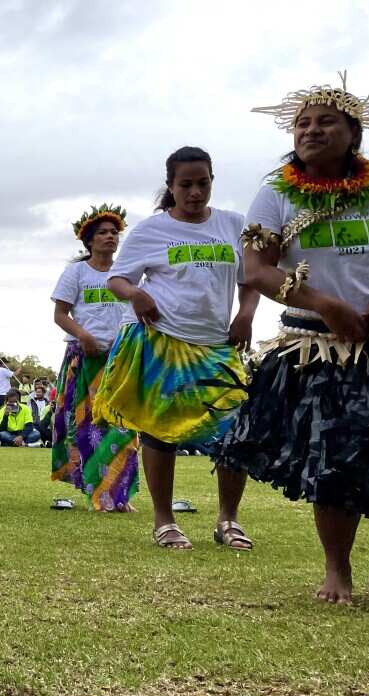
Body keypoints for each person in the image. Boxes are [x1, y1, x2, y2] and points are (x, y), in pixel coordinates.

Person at [216, 75, 369, 608]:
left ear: (353, 134)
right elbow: (255, 268)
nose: (311, 130)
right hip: (320, 346)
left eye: (326, 121)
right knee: (334, 460)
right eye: (303, 122)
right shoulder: (275, 193)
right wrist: (323, 303)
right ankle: (337, 569)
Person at [94, 147, 259, 550]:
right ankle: (164, 521)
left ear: (212, 182)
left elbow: (250, 278)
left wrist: (246, 314)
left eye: (203, 183)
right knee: (160, 434)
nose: (195, 192)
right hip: (162, 340)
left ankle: (228, 520)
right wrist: (135, 294)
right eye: (185, 184)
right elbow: (117, 279)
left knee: (234, 433)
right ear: (170, 186)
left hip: (216, 345)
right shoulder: (152, 230)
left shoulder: (233, 225)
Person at [50, 204, 140, 512]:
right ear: (88, 240)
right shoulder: (76, 272)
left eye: (114, 232)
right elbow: (60, 314)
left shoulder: (126, 271)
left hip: (121, 360)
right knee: (88, 427)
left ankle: (119, 494)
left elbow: (136, 310)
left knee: (123, 427)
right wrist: (84, 335)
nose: (110, 237)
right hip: (85, 359)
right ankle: (98, 493)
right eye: (102, 233)